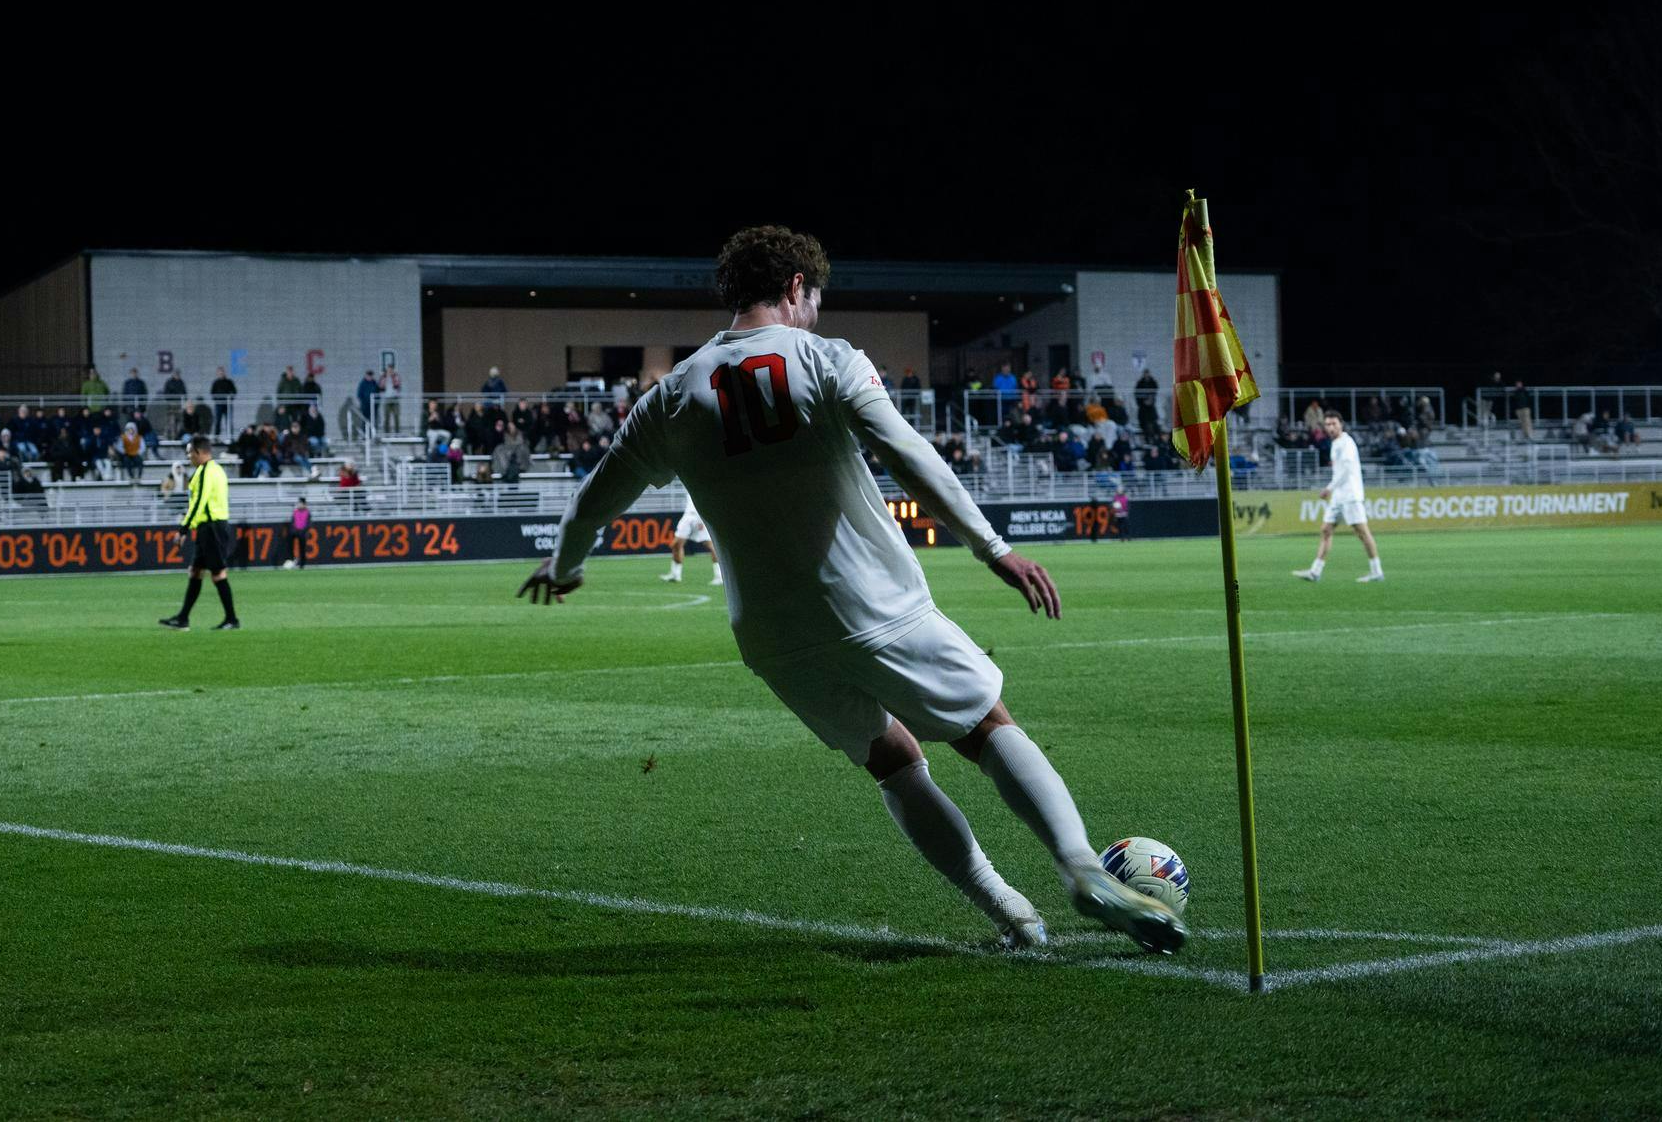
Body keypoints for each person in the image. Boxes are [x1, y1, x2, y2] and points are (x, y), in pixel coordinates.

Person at [517, 225, 1185, 954]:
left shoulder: (670, 398)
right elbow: (907, 451)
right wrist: (992, 548)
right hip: (875, 603)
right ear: (798, 288)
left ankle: (1011, 914)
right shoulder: (825, 358)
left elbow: (588, 505)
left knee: (892, 761)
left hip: (773, 637)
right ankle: (1081, 868)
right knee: (987, 726)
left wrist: (564, 569)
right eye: (816, 299)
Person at [159, 436, 240, 631]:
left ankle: (232, 619)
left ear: (199, 452)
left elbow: (198, 503)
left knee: (218, 574)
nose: (188, 457)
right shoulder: (216, 470)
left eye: (190, 452)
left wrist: (183, 529)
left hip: (212, 528)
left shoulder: (205, 472)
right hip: (210, 527)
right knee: (195, 571)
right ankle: (183, 618)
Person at [1294, 412, 1384, 583]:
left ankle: (1376, 571)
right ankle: (1315, 571)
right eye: (1327, 424)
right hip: (1338, 496)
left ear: (1341, 424)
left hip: (1350, 495)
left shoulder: (1346, 443)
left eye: (1334, 423)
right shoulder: (1335, 444)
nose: (1331, 427)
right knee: (1326, 530)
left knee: (1363, 533)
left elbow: (1347, 470)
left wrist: (1329, 488)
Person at [658, 492, 723, 585]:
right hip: (688, 516)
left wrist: (702, 518)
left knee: (711, 546)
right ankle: (675, 575)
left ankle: (719, 576)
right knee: (676, 545)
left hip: (699, 517)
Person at [283, 498, 312, 569]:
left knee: (302, 549)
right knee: (289, 545)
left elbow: (308, 524)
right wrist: (294, 530)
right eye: (298, 503)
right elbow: (292, 522)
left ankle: (302, 564)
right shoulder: (295, 512)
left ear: (304, 504)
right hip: (295, 532)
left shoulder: (307, 513)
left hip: (302, 532)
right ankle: (291, 559)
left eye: (300, 503)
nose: (299, 505)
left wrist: (303, 531)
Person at [209, 366, 238, 436]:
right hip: (219, 405)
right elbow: (212, 392)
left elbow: (234, 391)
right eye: (219, 372)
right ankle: (216, 437)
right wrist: (217, 400)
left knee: (229, 421)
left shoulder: (229, 382)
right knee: (218, 421)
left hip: (227, 404)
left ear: (224, 373)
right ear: (217, 373)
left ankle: (230, 436)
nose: (221, 373)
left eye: (222, 372)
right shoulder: (215, 383)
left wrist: (230, 399)